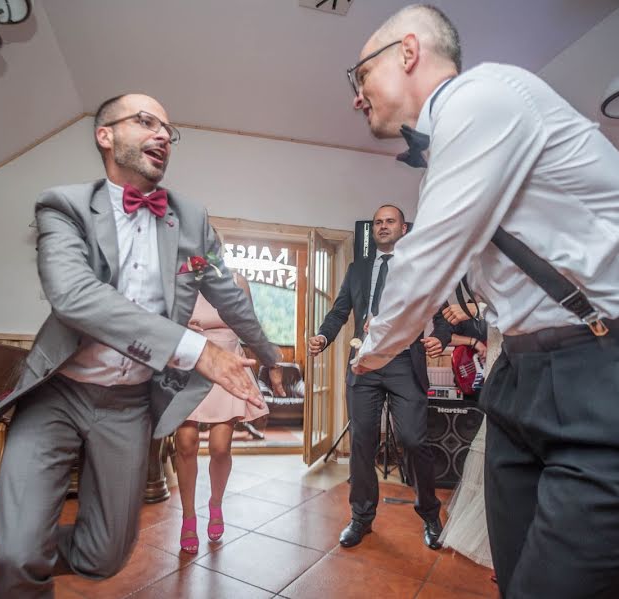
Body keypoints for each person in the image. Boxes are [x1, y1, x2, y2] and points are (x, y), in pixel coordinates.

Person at [348, 5, 619, 598]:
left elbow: (426, 259)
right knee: (516, 582)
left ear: (407, 52)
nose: (356, 96)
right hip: (525, 378)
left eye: (358, 76)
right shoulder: (455, 142)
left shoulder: (485, 94)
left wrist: (369, 351)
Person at [0, 93, 283, 599]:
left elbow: (227, 293)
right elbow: (74, 296)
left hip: (130, 405)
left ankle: (22, 550)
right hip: (58, 395)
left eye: (168, 129)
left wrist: (271, 357)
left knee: (106, 556)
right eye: (146, 122)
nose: (163, 134)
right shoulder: (64, 206)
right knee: (14, 557)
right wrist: (197, 350)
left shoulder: (190, 219)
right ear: (106, 135)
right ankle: (17, 555)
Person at [308, 204, 451, 549]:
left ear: (404, 229)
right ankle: (361, 517)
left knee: (415, 440)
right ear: (374, 231)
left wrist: (441, 337)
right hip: (364, 364)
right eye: (378, 222)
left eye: (390, 221)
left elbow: (444, 313)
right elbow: (340, 311)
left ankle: (431, 514)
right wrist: (324, 337)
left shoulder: (420, 268)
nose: (383, 226)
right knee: (361, 442)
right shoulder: (357, 269)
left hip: (405, 362)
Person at [174, 271, 274, 554]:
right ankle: (188, 517)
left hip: (228, 366)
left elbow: (249, 325)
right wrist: (181, 327)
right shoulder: (179, 281)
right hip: (191, 364)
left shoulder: (237, 281)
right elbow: (161, 324)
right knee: (185, 443)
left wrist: (272, 362)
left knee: (219, 448)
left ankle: (215, 504)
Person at [436, 300, 498, 571]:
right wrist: (475, 342)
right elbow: (445, 332)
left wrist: (480, 309)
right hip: (481, 366)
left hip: (499, 361)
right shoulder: (462, 301)